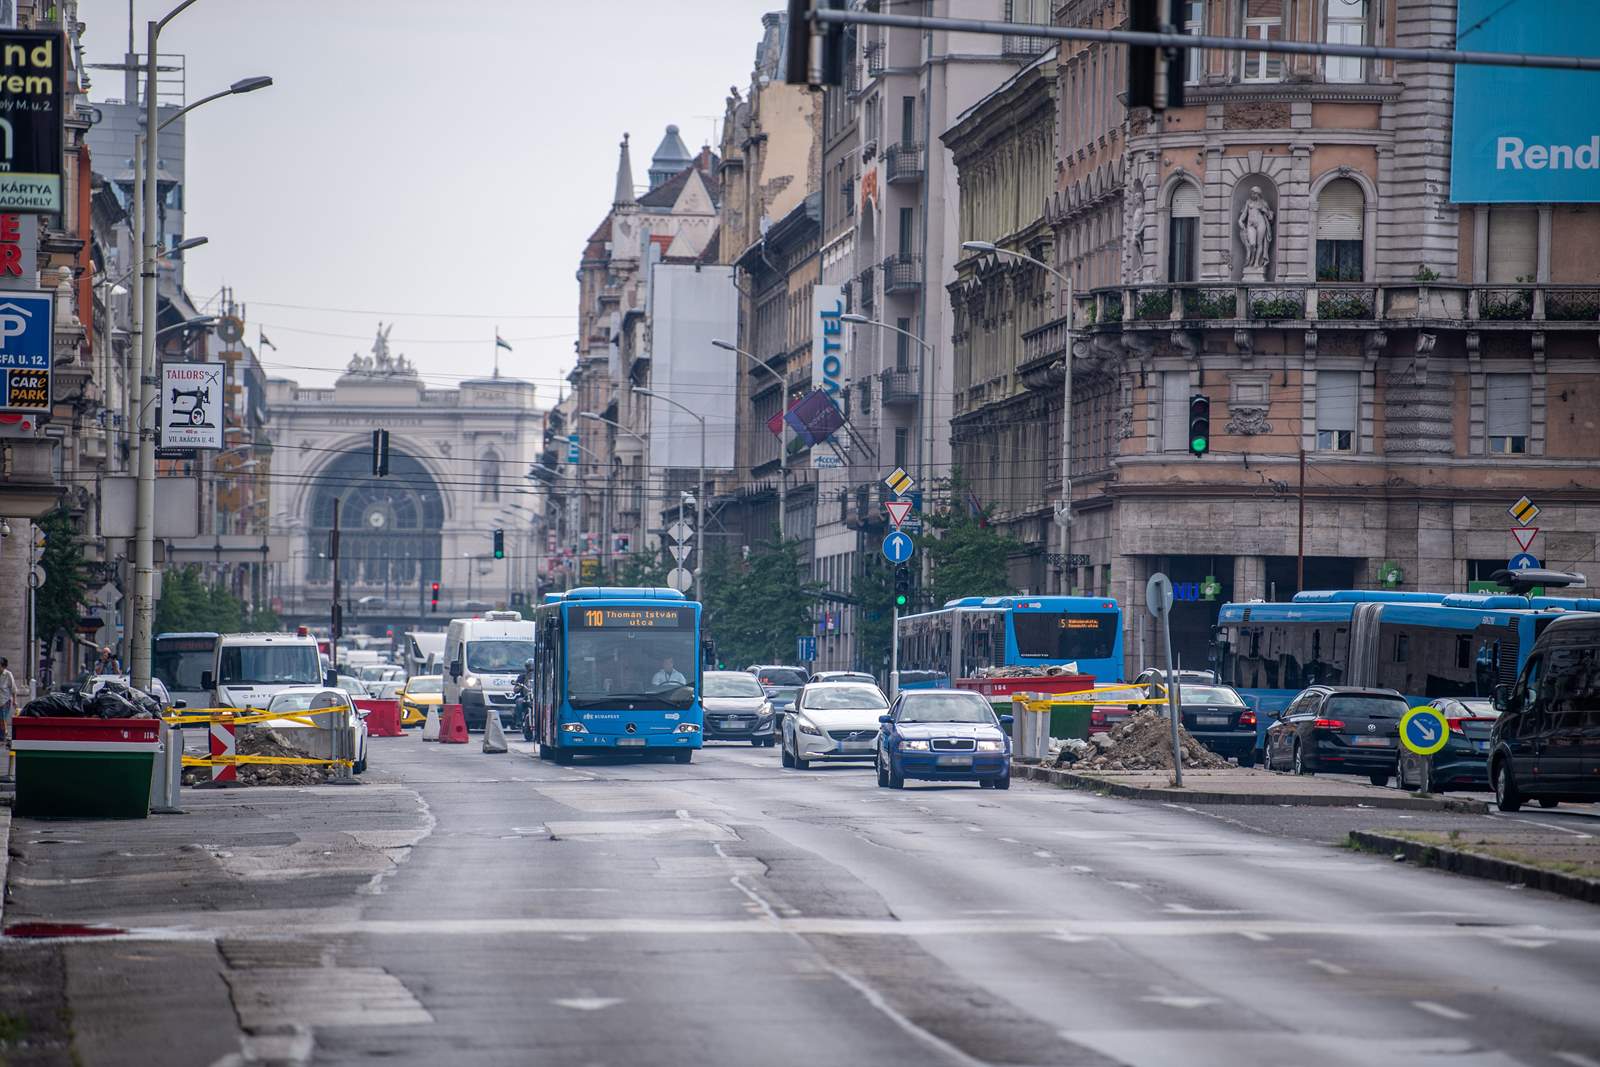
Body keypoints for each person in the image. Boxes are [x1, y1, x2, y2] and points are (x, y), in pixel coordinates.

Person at [0, 656, 16, 741]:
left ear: (3, 666)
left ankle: (2, 737)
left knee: (2, 719)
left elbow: (13, 688)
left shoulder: (8, 674)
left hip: (5, 701)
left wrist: (15, 701)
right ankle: (4, 733)